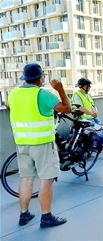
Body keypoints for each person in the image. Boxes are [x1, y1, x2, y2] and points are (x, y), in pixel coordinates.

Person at [6, 63, 71, 228]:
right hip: (42, 144)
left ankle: (24, 214)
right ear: (40, 79)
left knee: (26, 179)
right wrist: (61, 89)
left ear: (25, 78)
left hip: (22, 143)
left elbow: (8, 107)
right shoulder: (42, 94)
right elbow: (67, 108)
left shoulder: (13, 94)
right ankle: (46, 216)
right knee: (46, 180)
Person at [71, 78, 103, 158]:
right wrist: (91, 114)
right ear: (82, 86)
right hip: (84, 119)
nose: (89, 87)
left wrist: (96, 112)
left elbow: (93, 105)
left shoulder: (88, 95)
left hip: (92, 117)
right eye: (88, 86)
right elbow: (80, 108)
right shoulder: (77, 95)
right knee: (98, 132)